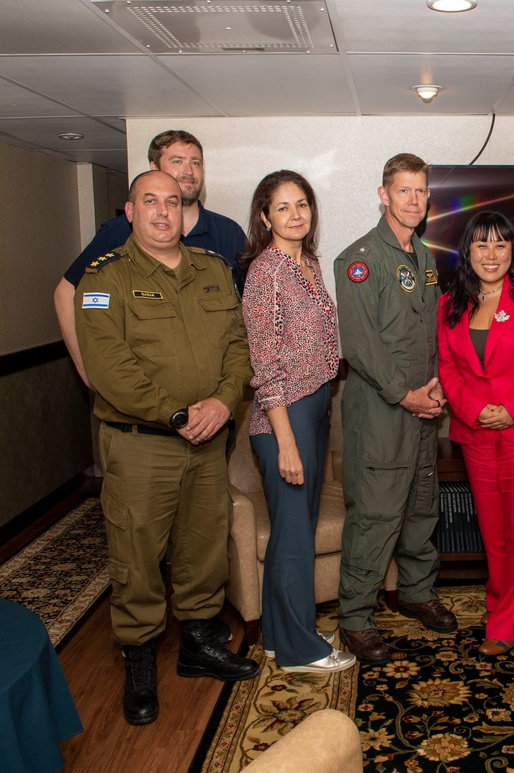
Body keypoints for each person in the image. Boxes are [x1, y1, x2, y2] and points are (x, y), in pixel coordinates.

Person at [74, 171, 259, 726]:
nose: (162, 212)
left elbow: (237, 345)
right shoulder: (104, 279)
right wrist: (175, 414)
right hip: (141, 445)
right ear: (128, 212)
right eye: (149, 201)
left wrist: (224, 404)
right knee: (137, 554)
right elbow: (110, 368)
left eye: (172, 202)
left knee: (204, 544)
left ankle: (199, 644)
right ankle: (138, 656)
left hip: (208, 438)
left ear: (185, 210)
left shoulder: (212, 270)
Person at [334, 153, 457, 665]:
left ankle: (416, 592)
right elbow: (360, 345)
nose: (413, 200)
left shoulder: (425, 257)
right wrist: (405, 395)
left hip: (423, 406)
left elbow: (429, 334)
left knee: (421, 504)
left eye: (421, 191)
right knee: (377, 512)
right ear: (383, 195)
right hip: (382, 410)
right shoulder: (358, 259)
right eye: (403, 190)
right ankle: (357, 617)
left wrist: (433, 391)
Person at [240, 171, 357, 674]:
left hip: (315, 409)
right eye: (283, 207)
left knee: (298, 528)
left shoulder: (306, 264)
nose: (295, 214)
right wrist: (286, 442)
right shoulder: (264, 273)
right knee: (292, 536)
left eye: (302, 204)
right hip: (282, 419)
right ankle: (301, 651)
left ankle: (278, 635)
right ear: (265, 217)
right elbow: (265, 368)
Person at [437, 211, 514, 657]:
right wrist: (475, 410)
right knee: (492, 532)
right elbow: (447, 368)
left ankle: (507, 626)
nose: (491, 254)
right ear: (467, 251)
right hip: (475, 431)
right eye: (482, 244)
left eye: (501, 244)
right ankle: (501, 607)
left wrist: (511, 411)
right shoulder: (451, 301)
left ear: (513, 250)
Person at [54, 129, 246, 388]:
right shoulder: (119, 231)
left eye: (196, 162)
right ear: (154, 167)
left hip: (215, 403)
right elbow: (65, 293)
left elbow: (247, 312)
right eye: (177, 161)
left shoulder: (228, 231)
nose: (188, 170)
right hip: (141, 401)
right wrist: (87, 372)